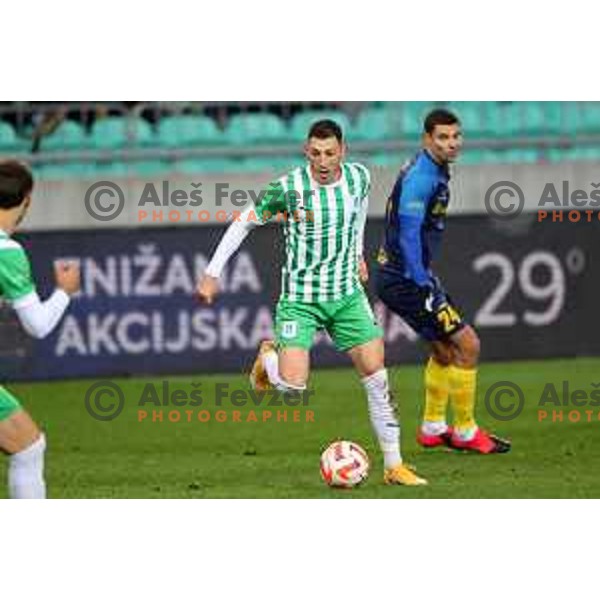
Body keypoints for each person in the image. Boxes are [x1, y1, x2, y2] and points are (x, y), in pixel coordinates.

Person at [197, 119, 426, 485]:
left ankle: (394, 465)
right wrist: (212, 273)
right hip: (301, 299)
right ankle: (268, 357)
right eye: (316, 153)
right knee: (292, 389)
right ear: (307, 151)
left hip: (346, 294)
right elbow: (244, 222)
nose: (322, 161)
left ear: (342, 152)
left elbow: (358, 211)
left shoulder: (358, 177)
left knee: (376, 371)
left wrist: (357, 254)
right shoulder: (288, 189)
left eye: (330, 153)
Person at [375, 108, 511, 454]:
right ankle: (465, 431)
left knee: (444, 349)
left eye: (456, 136)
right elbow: (407, 233)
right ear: (427, 139)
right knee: (468, 345)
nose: (452, 144)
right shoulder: (423, 178)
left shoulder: (431, 169)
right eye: (443, 138)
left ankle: (433, 426)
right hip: (406, 278)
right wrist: (421, 280)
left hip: (398, 276)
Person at [0, 160, 80, 498]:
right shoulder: (6, 252)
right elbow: (38, 325)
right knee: (28, 448)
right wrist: (65, 291)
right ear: (27, 200)